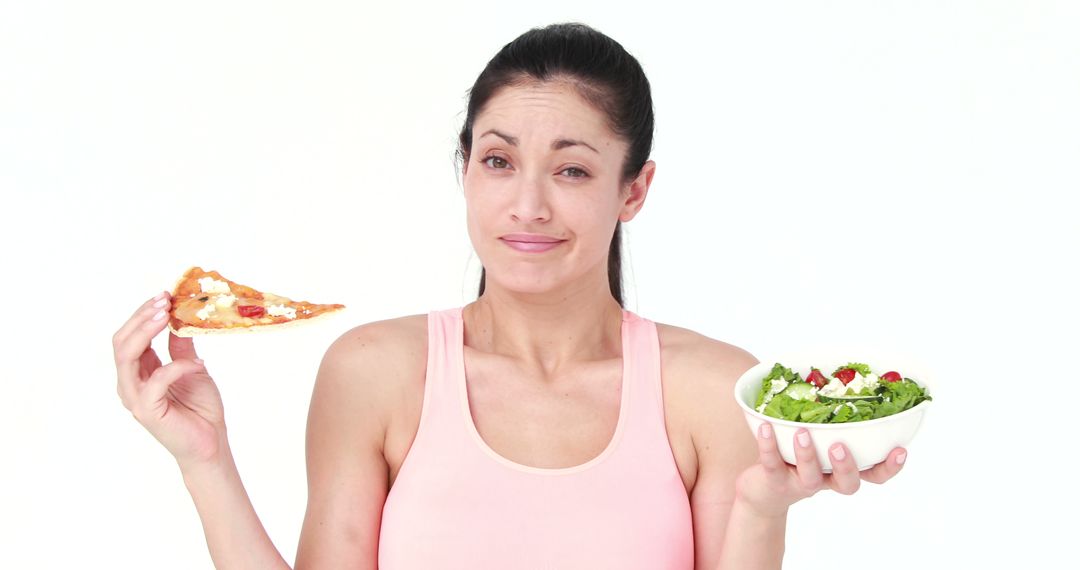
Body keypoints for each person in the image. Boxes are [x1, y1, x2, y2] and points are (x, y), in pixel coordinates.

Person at [113, 23, 908, 569]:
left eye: (571, 170)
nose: (528, 206)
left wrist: (764, 508)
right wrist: (205, 461)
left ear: (634, 190)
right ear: (464, 169)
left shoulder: (711, 388)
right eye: (498, 161)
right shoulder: (377, 373)